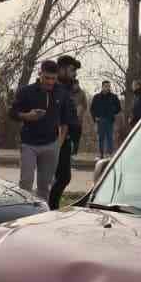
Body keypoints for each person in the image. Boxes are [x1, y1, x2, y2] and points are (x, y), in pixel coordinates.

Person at [10, 60, 66, 198]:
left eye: (53, 79)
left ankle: (42, 216)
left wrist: (59, 143)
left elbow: (67, 119)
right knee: (26, 183)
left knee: (44, 186)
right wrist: (27, 116)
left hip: (51, 144)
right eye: (47, 78)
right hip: (29, 144)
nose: (50, 82)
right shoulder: (26, 91)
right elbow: (12, 113)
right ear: (40, 73)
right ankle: (23, 215)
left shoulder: (61, 92)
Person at [47, 55, 84, 209]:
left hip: (67, 139)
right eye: (72, 70)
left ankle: (52, 205)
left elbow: (74, 115)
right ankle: (50, 206)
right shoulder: (53, 87)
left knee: (63, 177)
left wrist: (75, 138)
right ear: (61, 69)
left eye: (75, 71)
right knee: (58, 177)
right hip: (54, 138)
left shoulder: (72, 89)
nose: (74, 73)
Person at [90, 80, 122, 158]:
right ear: (102, 87)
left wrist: (112, 112)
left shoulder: (113, 97)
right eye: (106, 86)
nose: (107, 88)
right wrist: (95, 118)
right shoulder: (97, 97)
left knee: (109, 137)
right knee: (101, 138)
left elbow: (119, 108)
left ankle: (109, 154)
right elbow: (92, 109)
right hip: (100, 120)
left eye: (108, 86)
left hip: (109, 120)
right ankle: (101, 154)